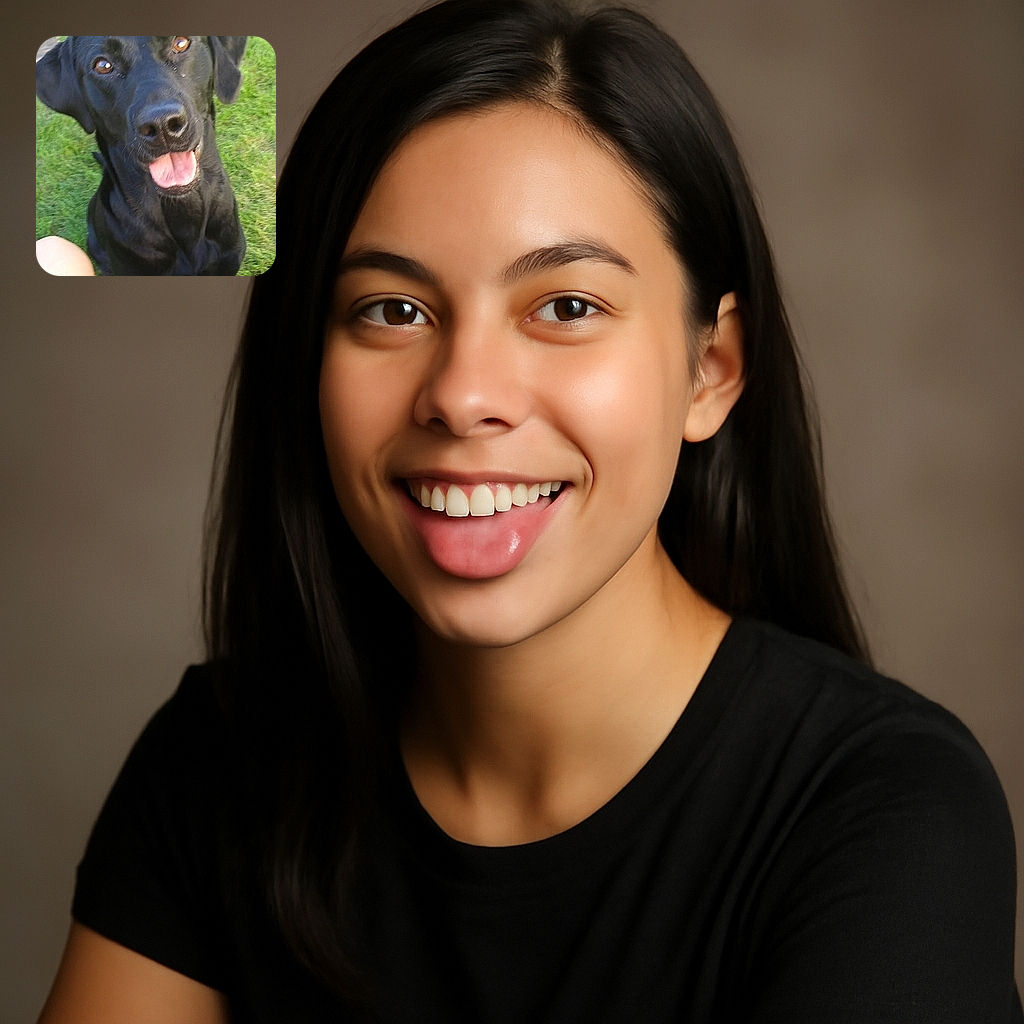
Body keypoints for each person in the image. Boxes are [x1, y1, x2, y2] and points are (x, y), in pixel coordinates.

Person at [37, 1, 1021, 1021]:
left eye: (566, 307)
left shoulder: (879, 807)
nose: (463, 395)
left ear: (710, 370)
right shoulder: (218, 764)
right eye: (392, 310)